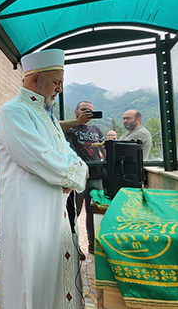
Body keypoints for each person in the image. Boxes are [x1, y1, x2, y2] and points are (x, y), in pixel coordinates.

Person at [0, 49, 88, 309]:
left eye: (61, 82)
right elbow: (40, 158)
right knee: (30, 281)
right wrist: (78, 171)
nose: (59, 88)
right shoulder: (12, 112)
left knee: (54, 279)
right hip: (30, 216)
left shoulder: (48, 116)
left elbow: (67, 153)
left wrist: (77, 166)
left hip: (55, 210)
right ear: (35, 79)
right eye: (55, 81)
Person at [64, 101, 104, 255]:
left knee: (94, 213)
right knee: (75, 213)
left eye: (90, 110)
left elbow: (101, 150)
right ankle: (76, 247)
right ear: (76, 111)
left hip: (97, 175)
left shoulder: (96, 129)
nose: (87, 112)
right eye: (83, 109)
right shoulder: (70, 128)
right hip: (78, 176)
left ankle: (93, 245)